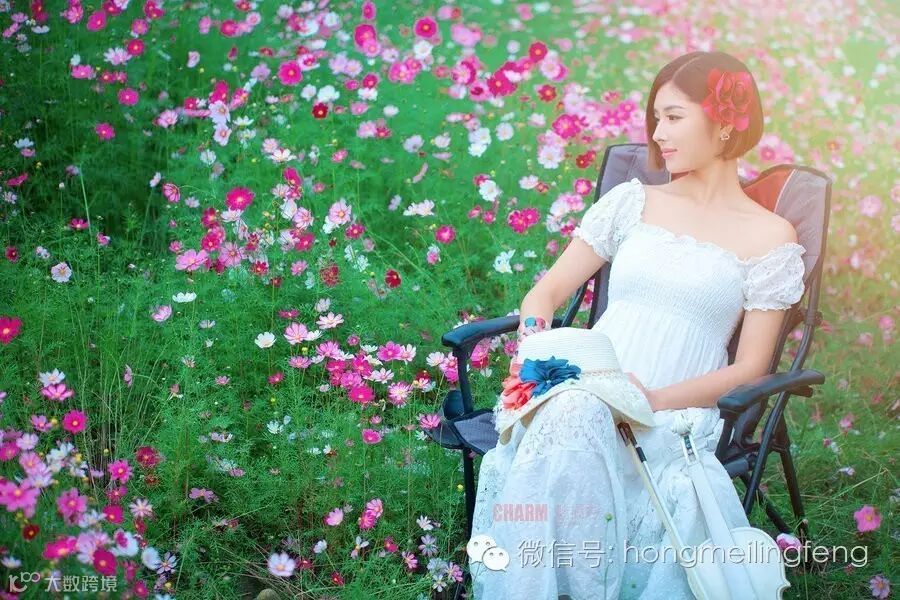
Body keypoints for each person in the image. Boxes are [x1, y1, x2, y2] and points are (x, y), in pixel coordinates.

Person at [469, 50, 806, 599]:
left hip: (671, 408)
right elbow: (545, 294)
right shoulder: (633, 201)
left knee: (580, 413)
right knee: (575, 408)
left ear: (724, 122)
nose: (658, 133)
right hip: (584, 384)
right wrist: (533, 357)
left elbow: (751, 366)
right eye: (655, 118)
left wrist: (651, 399)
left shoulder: (769, 236)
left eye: (673, 117)